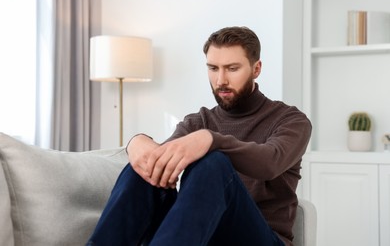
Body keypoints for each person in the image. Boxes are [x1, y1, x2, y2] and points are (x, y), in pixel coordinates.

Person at [86, 26, 312, 246]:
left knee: (214, 162)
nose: (221, 80)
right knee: (146, 168)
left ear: (256, 69)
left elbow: (269, 162)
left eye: (232, 68)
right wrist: (135, 141)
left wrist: (211, 140)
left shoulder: (291, 120)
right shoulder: (198, 121)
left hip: (260, 237)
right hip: (202, 234)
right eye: (213, 68)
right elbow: (159, 162)